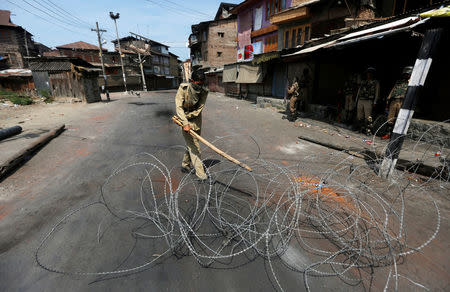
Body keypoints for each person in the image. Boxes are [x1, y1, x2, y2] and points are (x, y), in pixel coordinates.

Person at [175, 69, 209, 181]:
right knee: (195, 147)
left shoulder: (204, 91)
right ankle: (201, 175)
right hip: (183, 119)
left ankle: (185, 165)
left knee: (192, 144)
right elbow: (179, 107)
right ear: (191, 81)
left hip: (196, 120)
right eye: (198, 84)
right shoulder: (183, 89)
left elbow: (200, 108)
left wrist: (191, 117)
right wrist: (185, 123)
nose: (200, 87)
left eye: (202, 84)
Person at [382, 66, 412, 140]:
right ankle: (388, 134)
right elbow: (393, 91)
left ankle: (397, 136)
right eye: (405, 74)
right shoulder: (399, 82)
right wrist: (388, 100)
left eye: (407, 74)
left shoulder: (411, 83)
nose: (406, 75)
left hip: (403, 102)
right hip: (394, 101)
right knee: (390, 118)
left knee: (400, 119)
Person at [355, 67, 380, 135]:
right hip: (361, 99)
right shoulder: (363, 81)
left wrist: (375, 101)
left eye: (370, 73)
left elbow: (377, 92)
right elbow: (359, 91)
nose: (369, 74)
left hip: (369, 101)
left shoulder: (375, 82)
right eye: (368, 73)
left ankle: (367, 130)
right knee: (359, 116)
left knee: (368, 117)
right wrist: (356, 100)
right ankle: (361, 128)